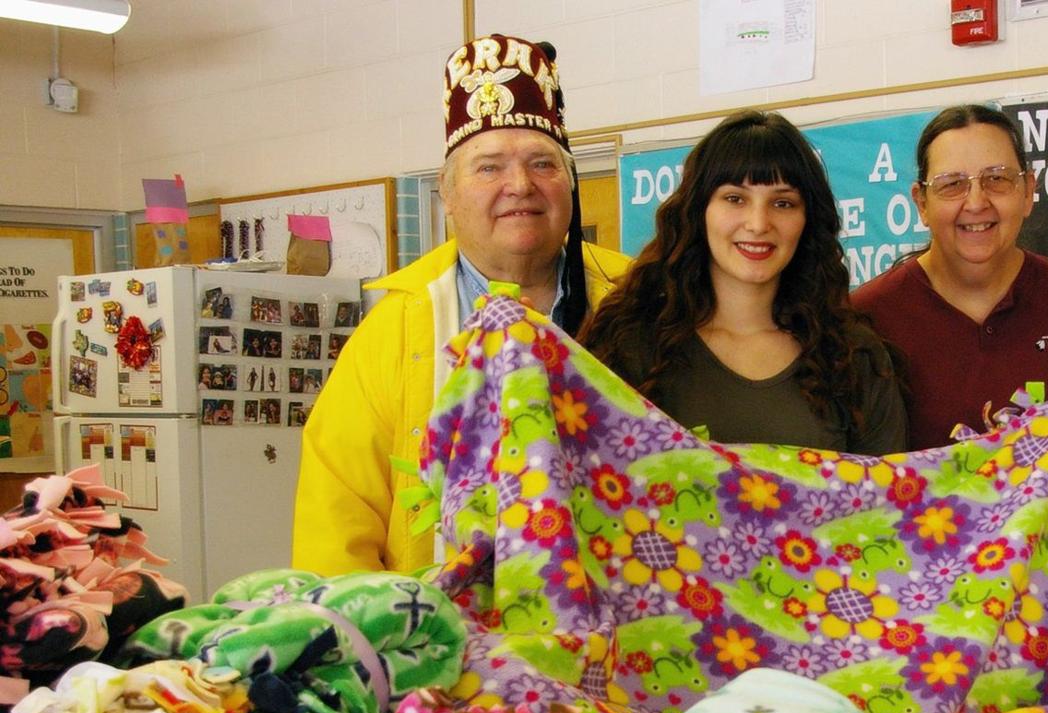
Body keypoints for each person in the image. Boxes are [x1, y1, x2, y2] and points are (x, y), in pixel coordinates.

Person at [293, 34, 630, 574]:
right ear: (447, 196)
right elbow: (335, 529)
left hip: (622, 631)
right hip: (443, 639)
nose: (520, 185)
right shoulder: (395, 331)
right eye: (489, 166)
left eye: (543, 163)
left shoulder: (639, 300)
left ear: (570, 183)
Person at [581, 111, 905, 454]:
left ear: (807, 219)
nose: (758, 223)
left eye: (783, 203)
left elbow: (892, 497)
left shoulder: (853, 355)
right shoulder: (629, 343)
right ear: (698, 208)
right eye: (735, 198)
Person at [852, 105, 1048, 450]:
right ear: (921, 203)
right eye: (952, 184)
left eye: (997, 178)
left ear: (1028, 191)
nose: (976, 202)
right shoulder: (867, 318)